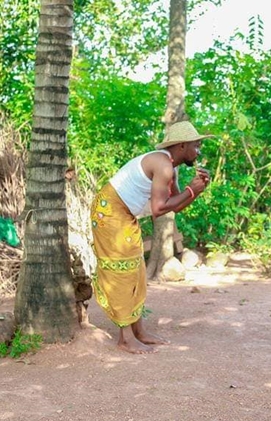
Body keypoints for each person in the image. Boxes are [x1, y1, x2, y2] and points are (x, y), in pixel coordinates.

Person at [90, 121, 212, 354]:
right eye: (196, 146)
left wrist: (196, 191)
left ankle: (139, 331)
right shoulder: (163, 165)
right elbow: (158, 209)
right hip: (109, 212)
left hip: (123, 215)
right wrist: (192, 190)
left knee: (136, 270)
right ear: (182, 145)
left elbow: (175, 206)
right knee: (123, 271)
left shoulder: (171, 167)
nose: (198, 151)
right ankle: (126, 338)